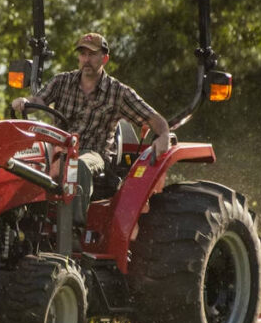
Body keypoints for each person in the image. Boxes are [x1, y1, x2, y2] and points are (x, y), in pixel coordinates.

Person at [11, 32, 171, 229]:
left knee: (78, 166)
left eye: (92, 54)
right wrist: (26, 103)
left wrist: (163, 135)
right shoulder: (62, 81)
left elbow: (154, 118)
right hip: (57, 150)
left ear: (104, 58)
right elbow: (39, 101)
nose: (86, 59)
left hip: (92, 153)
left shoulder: (118, 92)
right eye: (83, 54)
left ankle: (72, 231)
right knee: (18, 162)